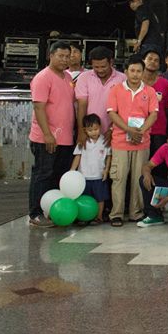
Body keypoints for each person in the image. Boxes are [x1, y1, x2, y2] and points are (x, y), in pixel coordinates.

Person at [105, 54, 159, 227]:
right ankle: (116, 214)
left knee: (138, 179)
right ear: (126, 71)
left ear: (143, 72)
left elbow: (153, 114)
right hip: (120, 142)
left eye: (139, 71)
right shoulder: (116, 90)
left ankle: (136, 213)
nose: (135, 74)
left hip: (142, 142)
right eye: (132, 71)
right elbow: (112, 113)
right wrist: (128, 130)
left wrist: (140, 132)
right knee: (119, 178)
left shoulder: (149, 91)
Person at [28, 41, 76, 227]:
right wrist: (47, 134)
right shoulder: (43, 77)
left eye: (67, 56)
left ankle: (52, 211)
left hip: (65, 138)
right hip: (46, 138)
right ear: (51, 55)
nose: (64, 60)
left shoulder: (68, 77)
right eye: (60, 56)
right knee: (42, 174)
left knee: (57, 176)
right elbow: (39, 107)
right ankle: (35, 213)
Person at [75, 46, 125, 146]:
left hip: (115, 133)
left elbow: (124, 108)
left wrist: (112, 129)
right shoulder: (84, 78)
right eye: (96, 67)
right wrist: (81, 131)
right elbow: (82, 106)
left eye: (103, 67)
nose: (100, 70)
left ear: (111, 62)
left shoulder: (123, 79)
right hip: (89, 133)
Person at [69, 113, 110, 224]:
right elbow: (77, 156)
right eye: (90, 130)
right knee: (84, 198)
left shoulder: (105, 141)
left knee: (100, 198)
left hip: (99, 176)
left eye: (96, 129)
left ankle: (99, 216)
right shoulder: (82, 142)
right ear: (85, 130)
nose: (94, 132)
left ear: (100, 127)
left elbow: (109, 156)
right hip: (83, 177)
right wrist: (72, 171)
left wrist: (106, 170)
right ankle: (84, 217)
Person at [141, 49, 168, 154]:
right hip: (138, 129)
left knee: (158, 161)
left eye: (156, 60)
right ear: (143, 61)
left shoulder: (165, 84)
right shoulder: (135, 82)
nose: (152, 62)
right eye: (149, 59)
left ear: (159, 65)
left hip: (158, 130)